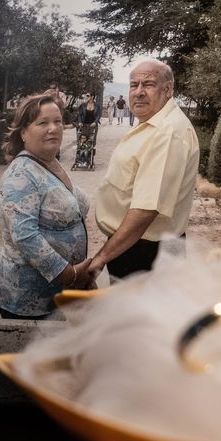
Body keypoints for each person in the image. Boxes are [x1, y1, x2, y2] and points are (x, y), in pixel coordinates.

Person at [87, 59, 200, 281]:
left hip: (145, 253)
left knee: (138, 315)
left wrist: (101, 258)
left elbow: (145, 211)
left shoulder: (167, 133)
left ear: (167, 89)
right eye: (133, 85)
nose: (138, 92)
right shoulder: (155, 122)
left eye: (148, 84)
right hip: (136, 246)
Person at [0, 94, 94, 319]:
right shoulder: (20, 175)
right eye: (42, 123)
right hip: (28, 302)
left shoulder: (51, 163)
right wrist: (71, 275)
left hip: (57, 297)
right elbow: (25, 236)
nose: (53, 128)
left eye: (58, 121)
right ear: (23, 132)